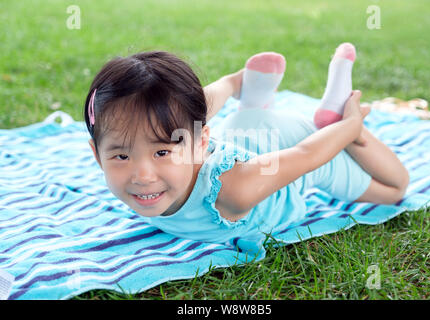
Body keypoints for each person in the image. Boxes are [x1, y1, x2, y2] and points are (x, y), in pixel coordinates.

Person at [83, 44, 409, 250]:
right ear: (97, 155)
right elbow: (194, 107)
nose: (142, 175)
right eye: (122, 155)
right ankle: (248, 93)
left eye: (162, 153)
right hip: (243, 135)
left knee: (393, 188)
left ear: (201, 143)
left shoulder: (230, 190)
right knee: (178, 115)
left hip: (293, 148)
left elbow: (306, 156)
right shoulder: (162, 157)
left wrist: (348, 128)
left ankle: (334, 116)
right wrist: (228, 84)